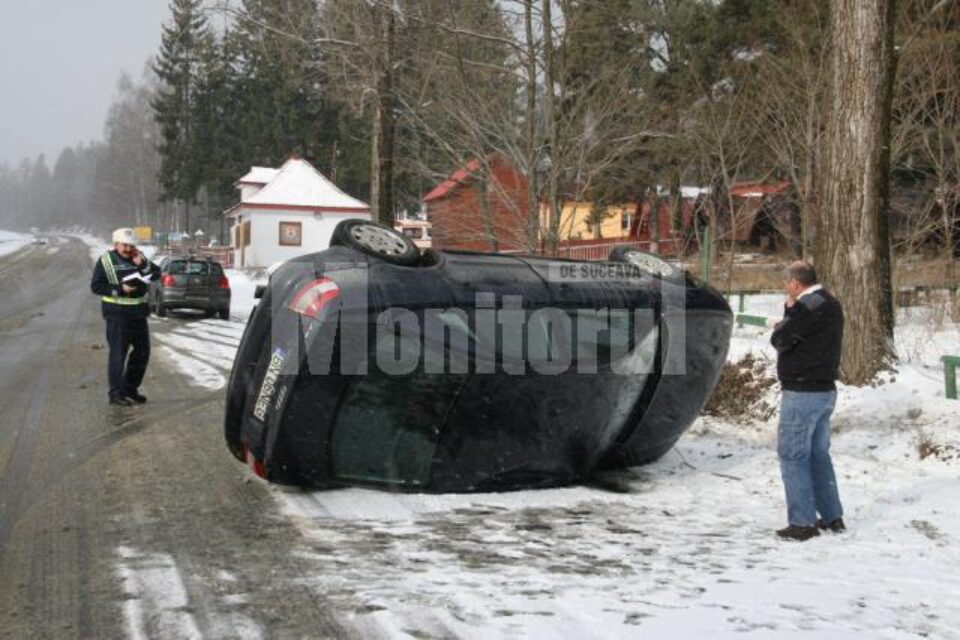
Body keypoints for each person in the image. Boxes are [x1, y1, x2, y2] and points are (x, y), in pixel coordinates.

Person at [770, 261, 845, 541]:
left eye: (786, 284)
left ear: (795, 284)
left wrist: (788, 313)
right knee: (818, 454)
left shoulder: (807, 305)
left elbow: (781, 339)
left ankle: (802, 522)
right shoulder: (830, 302)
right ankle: (831, 515)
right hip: (825, 391)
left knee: (793, 454)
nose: (785, 289)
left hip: (803, 392)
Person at [90, 228, 161, 406]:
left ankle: (130, 389)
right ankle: (116, 394)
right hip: (117, 315)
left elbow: (157, 273)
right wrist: (120, 289)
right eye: (125, 246)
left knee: (142, 353)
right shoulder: (106, 261)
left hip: (138, 314)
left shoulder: (139, 257)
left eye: (131, 246)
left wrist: (143, 264)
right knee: (118, 355)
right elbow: (96, 286)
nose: (128, 249)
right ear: (116, 244)